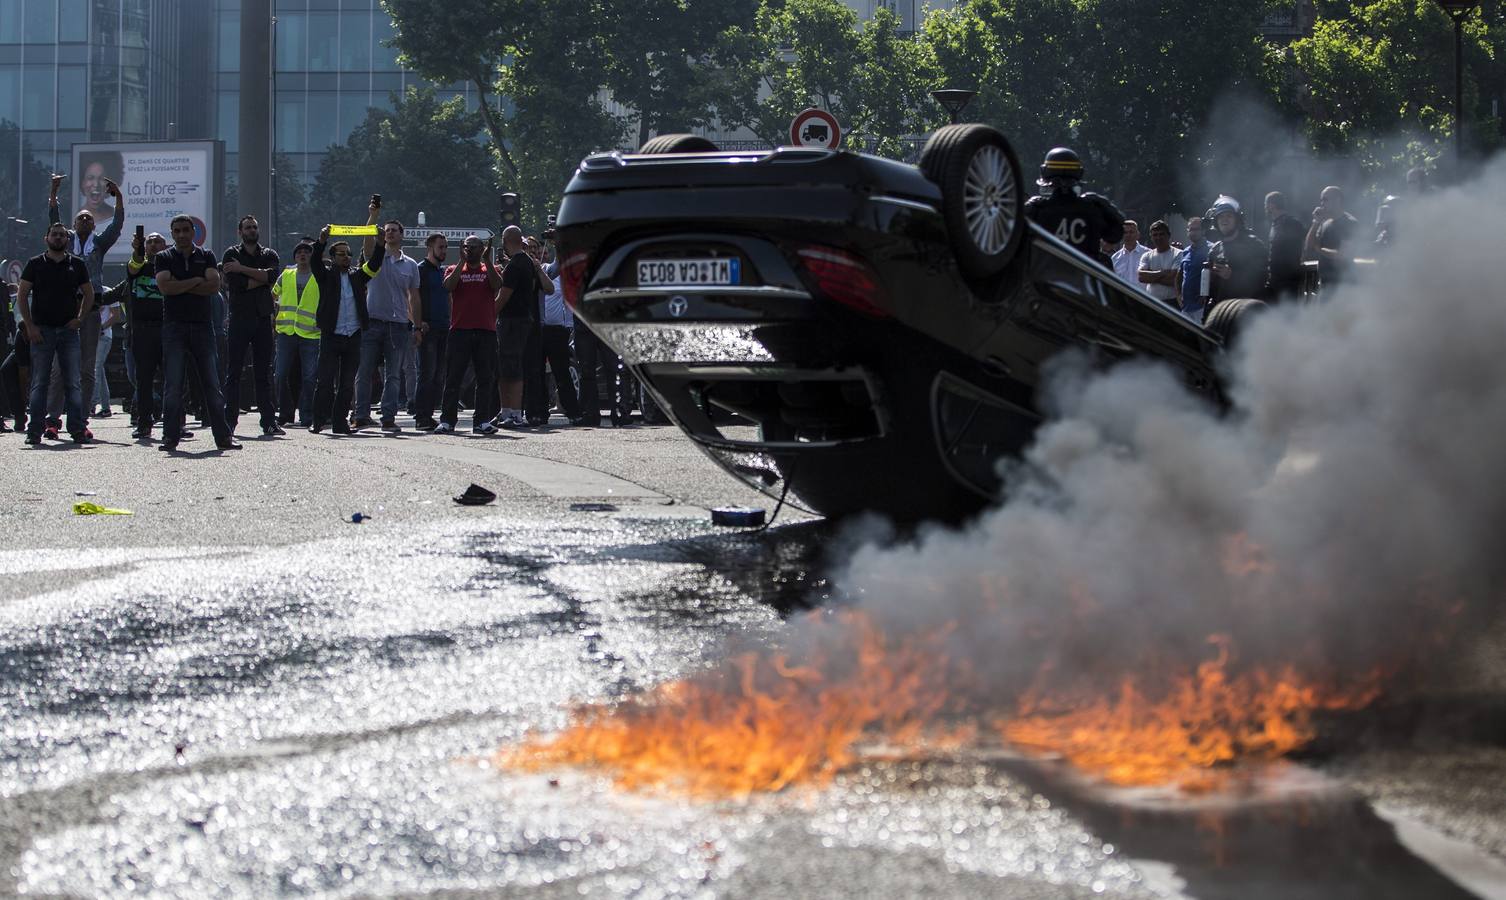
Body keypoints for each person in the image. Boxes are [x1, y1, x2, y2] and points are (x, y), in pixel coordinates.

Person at [46, 171, 125, 437]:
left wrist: (119, 199)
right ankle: (53, 419)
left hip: (90, 309)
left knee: (87, 367)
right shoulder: (65, 242)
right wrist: (54, 193)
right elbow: (53, 221)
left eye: (88, 218)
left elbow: (116, 225)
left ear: (93, 226)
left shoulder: (99, 245)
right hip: (65, 308)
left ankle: (80, 419)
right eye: (80, 217)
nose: (84, 220)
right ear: (74, 224)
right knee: (59, 367)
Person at [155, 215, 238, 452]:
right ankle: (170, 437)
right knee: (173, 386)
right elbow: (165, 288)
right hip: (174, 327)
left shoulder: (207, 255)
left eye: (185, 230)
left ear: (193, 232)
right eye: (177, 231)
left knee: (212, 384)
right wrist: (195, 281)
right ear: (172, 234)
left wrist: (180, 283)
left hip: (203, 327)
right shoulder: (163, 257)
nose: (181, 234)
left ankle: (223, 437)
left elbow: (213, 285)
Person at [16, 223, 93, 444]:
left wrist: (80, 318)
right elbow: (22, 295)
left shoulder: (77, 264)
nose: (58, 238)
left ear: (67, 240)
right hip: (42, 331)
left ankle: (77, 428)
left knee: (73, 382)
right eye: (54, 234)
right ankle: (35, 430)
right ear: (46, 238)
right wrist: (29, 326)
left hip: (68, 332)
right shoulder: (35, 264)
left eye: (62, 235)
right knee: (40, 382)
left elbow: (88, 294)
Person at [307, 227, 385, 435]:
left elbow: (375, 264)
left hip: (353, 335)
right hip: (332, 335)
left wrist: (380, 243)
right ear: (332, 257)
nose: (346, 257)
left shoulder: (358, 276)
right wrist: (321, 241)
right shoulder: (325, 275)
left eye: (348, 254)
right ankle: (318, 420)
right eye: (341, 254)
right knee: (324, 381)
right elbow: (314, 262)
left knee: (347, 384)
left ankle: (340, 422)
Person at [355, 212, 421, 432]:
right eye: (387, 230)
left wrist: (418, 325)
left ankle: (388, 417)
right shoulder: (375, 256)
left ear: (402, 235)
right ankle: (361, 415)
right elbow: (367, 241)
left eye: (394, 230)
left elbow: (414, 296)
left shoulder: (410, 265)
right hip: (372, 322)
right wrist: (372, 216)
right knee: (364, 371)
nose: (389, 233)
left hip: (398, 325)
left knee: (394, 374)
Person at [221, 215, 283, 436]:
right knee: (234, 372)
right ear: (240, 232)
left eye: (255, 227)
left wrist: (243, 269)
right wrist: (260, 277)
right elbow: (236, 285)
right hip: (239, 318)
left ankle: (269, 421)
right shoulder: (231, 254)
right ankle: (229, 422)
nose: (252, 230)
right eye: (248, 227)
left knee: (263, 372)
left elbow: (273, 277)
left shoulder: (269, 254)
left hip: (262, 319)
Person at [438, 235, 502, 435]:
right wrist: (461, 262)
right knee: (453, 378)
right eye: (467, 247)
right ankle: (448, 421)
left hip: (486, 331)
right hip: (460, 330)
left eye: (475, 247)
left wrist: (487, 261)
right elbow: (448, 287)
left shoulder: (490, 269)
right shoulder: (453, 269)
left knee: (485, 378)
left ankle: (482, 421)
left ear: (483, 248)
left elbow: (496, 285)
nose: (471, 250)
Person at [493, 225, 553, 428]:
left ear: (506, 240)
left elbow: (504, 296)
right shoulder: (526, 262)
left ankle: (513, 413)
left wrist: (488, 315)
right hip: (525, 320)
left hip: (512, 320)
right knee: (513, 366)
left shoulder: (516, 265)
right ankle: (510, 411)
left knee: (511, 367)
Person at [1024, 147, 1124, 266]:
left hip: (1045, 279)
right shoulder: (1094, 206)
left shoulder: (1035, 209)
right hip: (1086, 278)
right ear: (1079, 173)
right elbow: (1114, 235)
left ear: (1044, 172)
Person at [528, 237, 581, 424]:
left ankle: (573, 411)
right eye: (530, 248)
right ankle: (540, 412)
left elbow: (558, 265)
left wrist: (557, 241)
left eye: (536, 248)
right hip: (535, 329)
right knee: (537, 372)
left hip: (556, 331)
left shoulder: (546, 270)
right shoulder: (524, 269)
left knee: (562, 373)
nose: (533, 251)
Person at [271, 241, 321, 431]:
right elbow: (273, 295)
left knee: (310, 377)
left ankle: (307, 415)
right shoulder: (286, 275)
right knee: (280, 374)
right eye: (299, 252)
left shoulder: (318, 275)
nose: (302, 255)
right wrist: (273, 316)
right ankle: (285, 413)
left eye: (306, 252)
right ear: (294, 257)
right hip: (286, 332)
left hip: (311, 332)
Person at [126, 230, 169, 439]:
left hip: (168, 328)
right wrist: (137, 250)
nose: (153, 244)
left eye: (157, 241)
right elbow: (132, 267)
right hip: (143, 329)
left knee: (173, 378)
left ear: (165, 245)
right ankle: (144, 423)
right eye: (149, 241)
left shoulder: (171, 265)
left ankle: (175, 423)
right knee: (143, 379)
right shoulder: (138, 265)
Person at [413, 233, 450, 431]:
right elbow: (411, 298)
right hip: (428, 329)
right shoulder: (420, 270)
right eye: (440, 247)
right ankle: (421, 417)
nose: (444, 251)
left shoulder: (443, 271)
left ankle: (429, 414)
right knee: (426, 374)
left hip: (444, 328)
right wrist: (417, 324)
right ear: (430, 247)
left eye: (445, 247)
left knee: (438, 375)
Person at [1206, 195, 1269, 304]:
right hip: (1222, 311)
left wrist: (1232, 275)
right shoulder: (1215, 250)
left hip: (1246, 310)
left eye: (1229, 216)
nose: (1224, 219)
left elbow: (1261, 279)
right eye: (1221, 216)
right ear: (1216, 222)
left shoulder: (1254, 245)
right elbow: (1211, 288)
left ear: (1237, 220)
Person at [1304, 185, 1359, 293]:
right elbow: (1308, 247)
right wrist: (1316, 223)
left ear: (1337, 200)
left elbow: (1342, 254)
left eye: (1325, 199)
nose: (1322, 203)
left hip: (1343, 285)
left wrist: (1319, 249)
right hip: (1325, 284)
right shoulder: (1325, 222)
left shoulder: (1349, 222)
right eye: (1321, 200)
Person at [1263, 191, 1307, 303]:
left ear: (1272, 205)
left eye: (1266, 204)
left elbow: (1304, 245)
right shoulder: (1274, 224)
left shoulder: (1292, 223)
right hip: (1275, 279)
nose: (1265, 207)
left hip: (1288, 280)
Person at [1174, 215, 1213, 323]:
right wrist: (1179, 298)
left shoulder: (1212, 249)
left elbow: (1215, 276)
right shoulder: (1185, 252)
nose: (1193, 232)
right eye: (1190, 229)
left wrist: (1206, 296)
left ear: (1203, 231)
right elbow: (1179, 277)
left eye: (1196, 229)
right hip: (1186, 307)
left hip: (1202, 308)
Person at [1135, 220, 1181, 309]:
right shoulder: (1147, 255)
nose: (1158, 237)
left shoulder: (1178, 254)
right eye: (1155, 235)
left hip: (1172, 303)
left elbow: (1174, 279)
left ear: (1168, 235)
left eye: (1161, 234)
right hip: (1152, 303)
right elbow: (1141, 277)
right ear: (1151, 237)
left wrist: (1151, 276)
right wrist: (1163, 273)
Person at [93, 290, 123, 417]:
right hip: (90, 337)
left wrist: (102, 327)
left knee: (96, 368)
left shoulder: (107, 292)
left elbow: (116, 316)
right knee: (99, 370)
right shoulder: (87, 291)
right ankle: (105, 406)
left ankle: (91, 403)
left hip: (103, 336)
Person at [1110, 220, 1149, 288]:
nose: (1128, 235)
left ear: (1138, 234)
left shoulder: (1148, 254)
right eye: (1125, 232)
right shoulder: (1115, 258)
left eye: (1131, 232)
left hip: (1143, 297)